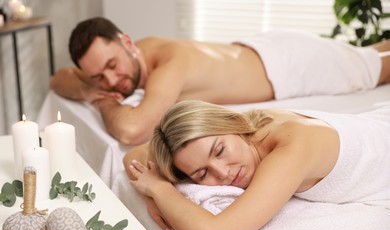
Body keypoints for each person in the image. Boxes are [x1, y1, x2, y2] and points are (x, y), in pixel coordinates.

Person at [50, 17, 390, 145]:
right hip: (263, 48)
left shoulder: (169, 64)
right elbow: (58, 79)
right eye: (98, 76)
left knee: (376, 67)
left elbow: (131, 130)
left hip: (290, 65)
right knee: (366, 55)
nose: (112, 81)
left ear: (127, 42)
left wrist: (101, 98)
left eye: (112, 66)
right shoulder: (134, 57)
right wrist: (86, 84)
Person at [126, 100, 390, 230]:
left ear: (234, 125)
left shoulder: (292, 146)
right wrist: (146, 192)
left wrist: (160, 190)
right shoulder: (240, 130)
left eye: (219, 150)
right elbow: (135, 155)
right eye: (201, 174)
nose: (223, 173)